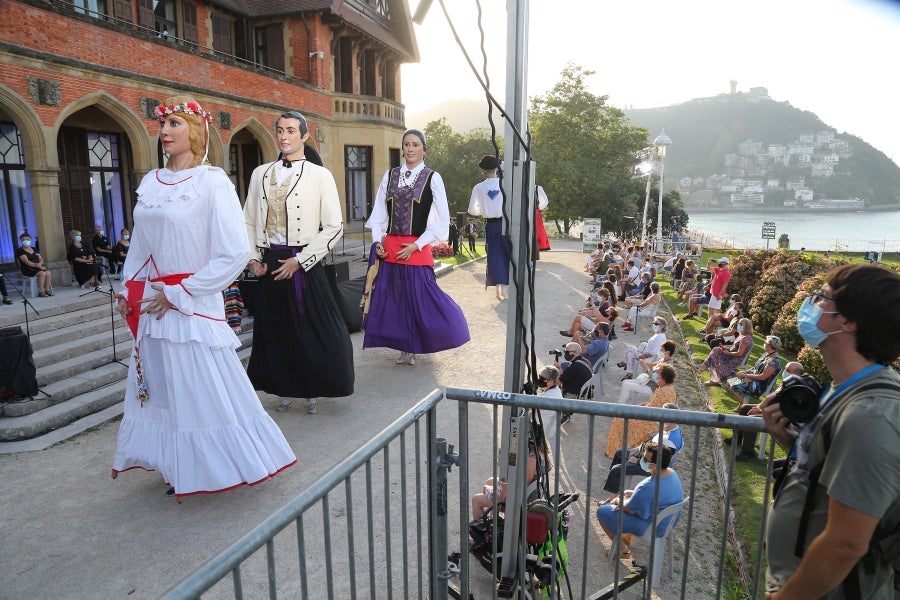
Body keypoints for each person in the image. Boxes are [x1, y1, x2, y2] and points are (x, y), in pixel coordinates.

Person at [111, 95, 296, 500]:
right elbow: (141, 245)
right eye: (163, 125)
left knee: (201, 391)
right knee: (164, 390)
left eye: (175, 124)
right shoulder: (150, 183)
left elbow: (232, 253)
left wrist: (180, 293)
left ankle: (220, 465)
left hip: (191, 302)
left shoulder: (213, 181)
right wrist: (129, 287)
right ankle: (177, 465)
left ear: (195, 131)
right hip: (154, 303)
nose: (165, 132)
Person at [762, 265, 900, 599]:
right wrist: (791, 442)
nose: (809, 305)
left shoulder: (870, 415)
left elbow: (845, 543)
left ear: (849, 322)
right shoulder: (846, 390)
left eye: (821, 298)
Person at [243, 110, 354, 414]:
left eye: (291, 131)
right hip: (269, 261)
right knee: (275, 330)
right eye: (280, 130)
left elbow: (334, 226)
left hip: (303, 261)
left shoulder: (320, 175)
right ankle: (284, 387)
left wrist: (301, 261)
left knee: (313, 328)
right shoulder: (260, 174)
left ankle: (312, 386)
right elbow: (248, 222)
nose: (284, 136)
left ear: (304, 136)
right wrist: (254, 259)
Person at [362, 129, 470, 365]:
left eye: (415, 144)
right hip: (390, 249)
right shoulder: (390, 175)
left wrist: (416, 245)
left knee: (421, 298)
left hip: (416, 249)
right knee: (395, 301)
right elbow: (379, 214)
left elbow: (442, 220)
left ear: (423, 149)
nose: (410, 149)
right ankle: (403, 348)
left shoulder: (433, 177)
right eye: (406, 144)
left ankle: (425, 341)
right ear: (402, 148)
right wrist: (378, 241)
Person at [596, 440, 684, 559]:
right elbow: (656, 498)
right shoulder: (671, 473)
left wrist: (617, 500)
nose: (642, 461)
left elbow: (630, 509)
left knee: (602, 511)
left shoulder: (649, 486)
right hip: (668, 523)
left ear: (656, 465)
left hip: (652, 528)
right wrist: (634, 493)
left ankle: (621, 549)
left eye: (646, 460)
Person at [602, 405, 683, 503]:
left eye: (663, 414)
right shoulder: (673, 429)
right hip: (647, 455)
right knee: (620, 453)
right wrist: (636, 452)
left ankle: (611, 500)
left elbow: (656, 462)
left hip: (651, 467)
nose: (660, 416)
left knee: (616, 470)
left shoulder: (668, 441)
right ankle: (614, 485)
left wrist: (638, 461)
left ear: (671, 418)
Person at [727, 360, 803, 460]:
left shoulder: (797, 388)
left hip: (780, 418)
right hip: (769, 409)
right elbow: (771, 398)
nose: (785, 372)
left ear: (797, 373)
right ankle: (738, 438)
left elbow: (782, 408)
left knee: (752, 419)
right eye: (785, 369)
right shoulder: (788, 382)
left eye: (788, 370)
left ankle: (748, 452)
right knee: (744, 408)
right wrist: (758, 407)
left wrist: (760, 411)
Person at [606, 364, 677, 458]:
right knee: (623, 415)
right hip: (651, 416)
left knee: (620, 419)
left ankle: (614, 451)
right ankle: (620, 448)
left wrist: (637, 410)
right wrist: (642, 406)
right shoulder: (665, 388)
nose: (656, 375)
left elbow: (651, 411)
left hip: (652, 422)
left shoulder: (664, 391)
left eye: (658, 373)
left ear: (664, 377)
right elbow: (652, 405)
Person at [468, 154, 512, 300]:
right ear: (497, 167)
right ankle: (506, 288)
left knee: (494, 256)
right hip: (505, 224)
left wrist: (485, 211)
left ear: (484, 170)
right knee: (507, 254)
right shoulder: (505, 184)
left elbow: (472, 210)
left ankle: (498, 289)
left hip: (490, 226)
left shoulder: (478, 187)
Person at [727, 334, 783, 407]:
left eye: (765, 342)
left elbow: (763, 377)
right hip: (753, 379)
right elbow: (755, 368)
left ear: (769, 345)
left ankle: (745, 407)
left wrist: (745, 375)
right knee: (729, 382)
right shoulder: (766, 354)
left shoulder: (774, 361)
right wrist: (746, 372)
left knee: (734, 386)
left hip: (760, 385)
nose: (764, 344)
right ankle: (742, 404)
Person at [695, 317, 754, 385]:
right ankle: (704, 367)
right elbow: (734, 348)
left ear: (746, 327)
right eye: (738, 324)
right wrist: (725, 348)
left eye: (741, 324)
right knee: (716, 349)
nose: (738, 325)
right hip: (732, 354)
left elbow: (739, 354)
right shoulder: (742, 335)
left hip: (735, 359)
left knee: (716, 352)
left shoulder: (746, 338)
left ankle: (710, 375)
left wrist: (728, 353)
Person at [617, 340, 676, 404]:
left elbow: (656, 379)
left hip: (654, 388)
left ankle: (620, 407)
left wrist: (646, 368)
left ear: (667, 352)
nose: (659, 351)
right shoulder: (663, 359)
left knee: (626, 386)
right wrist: (644, 362)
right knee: (625, 382)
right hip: (648, 381)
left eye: (662, 350)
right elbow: (652, 365)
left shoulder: (668, 366)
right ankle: (621, 404)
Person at [536, 364, 563, 462]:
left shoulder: (547, 397)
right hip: (551, 425)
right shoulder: (556, 390)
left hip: (543, 427)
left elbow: (529, 405)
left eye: (541, 378)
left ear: (550, 381)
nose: (538, 379)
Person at [15, 232, 53, 297]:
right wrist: (40, 267)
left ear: (30, 240)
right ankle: (41, 291)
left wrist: (40, 265)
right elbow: (27, 262)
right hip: (28, 268)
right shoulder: (20, 250)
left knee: (48, 273)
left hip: (38, 267)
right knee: (42, 273)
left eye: (27, 239)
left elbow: (41, 259)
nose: (26, 241)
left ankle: (47, 290)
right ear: (21, 241)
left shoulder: (34, 249)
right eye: (23, 240)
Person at [535, 185, 551, 252]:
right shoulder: (537, 188)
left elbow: (545, 202)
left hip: (535, 212)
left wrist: (538, 209)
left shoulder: (537, 188)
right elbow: (545, 202)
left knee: (538, 229)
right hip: (535, 212)